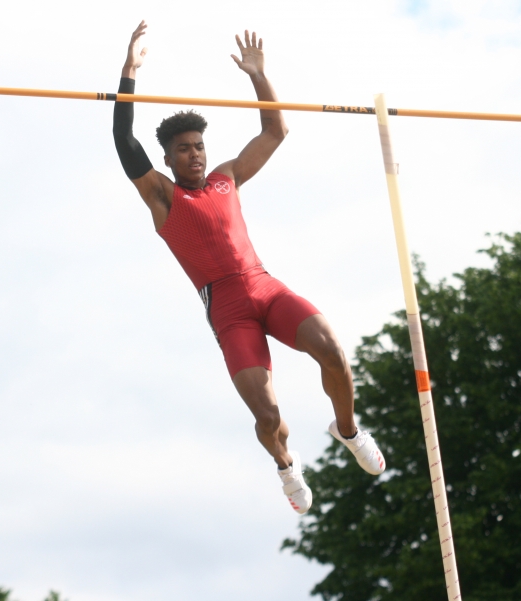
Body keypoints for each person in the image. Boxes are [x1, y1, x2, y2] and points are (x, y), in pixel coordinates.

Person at [112, 21, 385, 514]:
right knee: (267, 416)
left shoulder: (226, 177)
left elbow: (275, 130)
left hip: (265, 287)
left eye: (198, 146)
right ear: (169, 159)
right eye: (183, 149)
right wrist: (128, 73)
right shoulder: (163, 196)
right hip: (230, 312)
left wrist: (259, 75)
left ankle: (347, 429)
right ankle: (286, 465)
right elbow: (123, 141)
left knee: (334, 352)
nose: (194, 154)